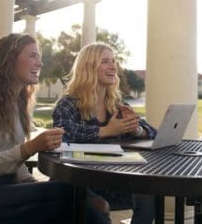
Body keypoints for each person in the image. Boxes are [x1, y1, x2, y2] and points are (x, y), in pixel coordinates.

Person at [0, 33, 109, 224]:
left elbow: (13, 162)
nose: (40, 63)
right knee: (72, 197)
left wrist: (31, 186)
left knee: (71, 194)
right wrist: (30, 147)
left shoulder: (15, 104)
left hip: (5, 189)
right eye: (32, 56)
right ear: (8, 60)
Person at [53, 42, 157, 224]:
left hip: (111, 179)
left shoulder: (116, 104)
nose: (113, 66)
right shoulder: (68, 103)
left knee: (148, 191)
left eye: (113, 61)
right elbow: (64, 134)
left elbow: (152, 132)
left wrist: (136, 129)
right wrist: (106, 131)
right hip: (77, 181)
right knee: (97, 206)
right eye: (105, 62)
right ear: (89, 67)